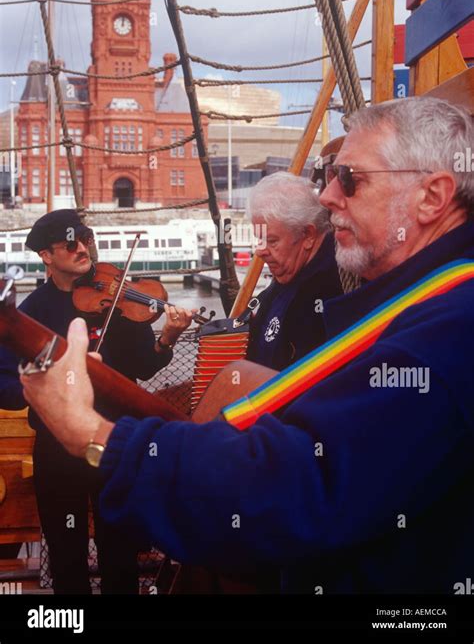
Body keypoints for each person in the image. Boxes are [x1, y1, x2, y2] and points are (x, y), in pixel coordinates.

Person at [21, 98, 474, 594]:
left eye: (349, 178)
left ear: (432, 197)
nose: (326, 197)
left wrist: (89, 432)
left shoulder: (441, 336)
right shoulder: (428, 308)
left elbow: (290, 484)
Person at [0, 209, 194, 594]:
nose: (82, 248)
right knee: (66, 550)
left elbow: (145, 363)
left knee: (119, 547)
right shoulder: (32, 311)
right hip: (58, 446)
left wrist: (168, 336)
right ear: (46, 256)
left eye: (85, 239)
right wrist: (42, 384)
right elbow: (5, 383)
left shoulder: (117, 298)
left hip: (116, 439)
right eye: (70, 243)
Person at [246, 172, 343, 370]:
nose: (260, 251)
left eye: (271, 241)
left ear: (308, 234)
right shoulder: (288, 274)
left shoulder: (336, 289)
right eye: (260, 239)